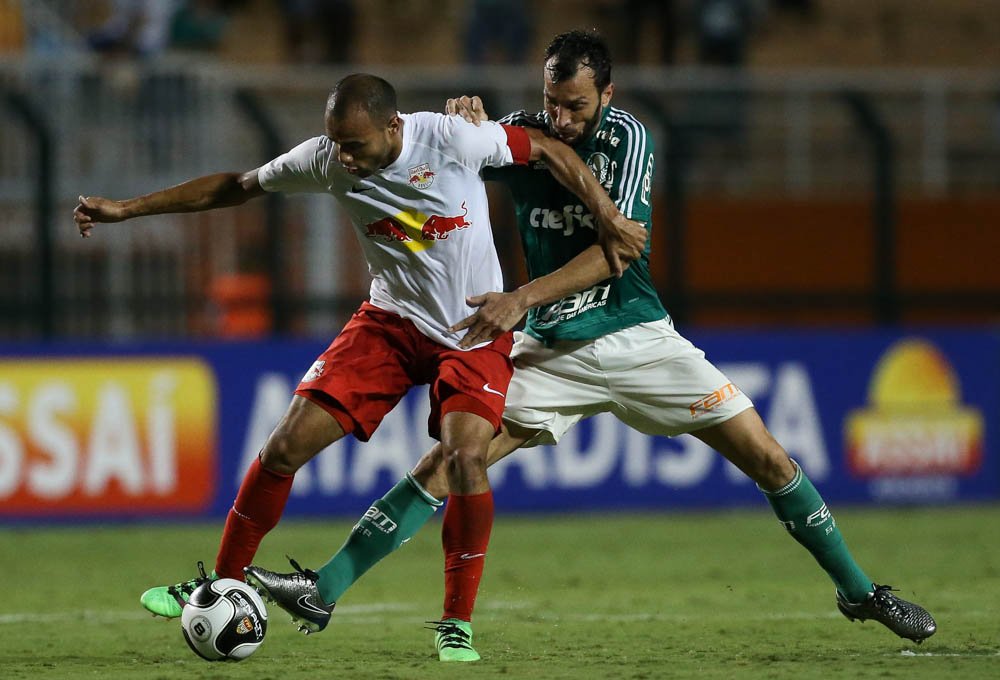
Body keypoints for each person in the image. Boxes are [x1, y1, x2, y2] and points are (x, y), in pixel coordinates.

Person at [244, 32, 938, 661]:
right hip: (550, 350)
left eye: (576, 106)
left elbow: (617, 251)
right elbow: (442, 167)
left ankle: (858, 591)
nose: (562, 119)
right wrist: (461, 128)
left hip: (637, 337)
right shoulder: (526, 131)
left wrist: (520, 297)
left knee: (769, 458)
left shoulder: (628, 139)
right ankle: (324, 588)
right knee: (451, 464)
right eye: (552, 103)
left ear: (607, 94)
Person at [73, 73, 646, 661]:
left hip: (473, 328)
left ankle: (456, 623)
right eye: (337, 144)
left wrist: (605, 215)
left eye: (355, 145)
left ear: (393, 126)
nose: (344, 157)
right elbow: (237, 186)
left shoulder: (451, 139)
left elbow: (546, 149)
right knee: (283, 447)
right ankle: (222, 582)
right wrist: (127, 209)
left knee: (466, 459)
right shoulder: (326, 159)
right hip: (389, 324)